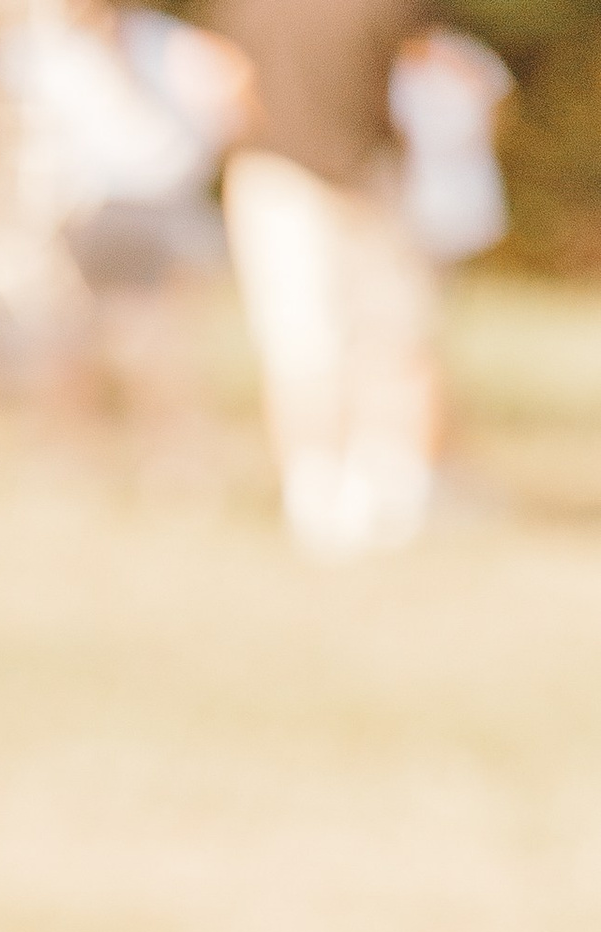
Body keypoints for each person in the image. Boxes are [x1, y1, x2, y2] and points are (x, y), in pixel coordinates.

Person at [209, 0, 440, 557]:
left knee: (310, 341)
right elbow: (429, 74)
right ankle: (365, 492)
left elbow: (226, 84)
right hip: (352, 174)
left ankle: (329, 495)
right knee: (377, 338)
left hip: (289, 174)